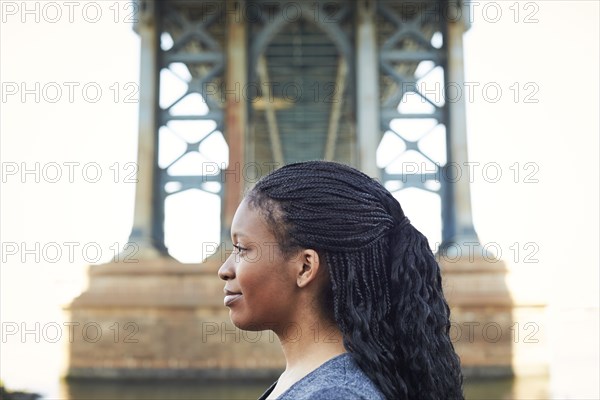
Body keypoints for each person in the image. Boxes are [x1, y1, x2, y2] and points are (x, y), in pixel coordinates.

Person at [218, 160, 463, 400]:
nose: (224, 270)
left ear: (305, 267)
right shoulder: (311, 380)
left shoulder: (335, 393)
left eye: (241, 249)